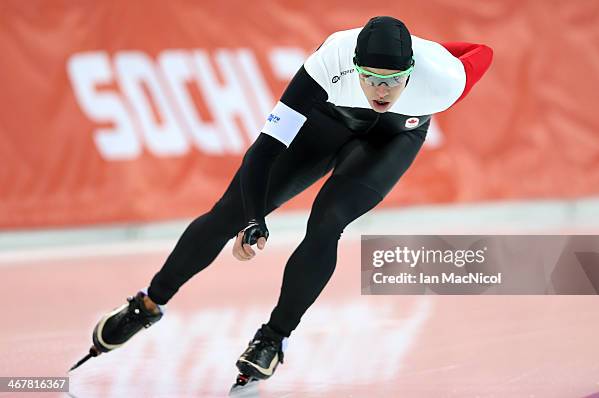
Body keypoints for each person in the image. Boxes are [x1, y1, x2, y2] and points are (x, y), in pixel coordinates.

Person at [77, 16, 493, 382]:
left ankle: (272, 340)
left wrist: (432, 50)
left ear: (413, 71)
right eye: (370, 77)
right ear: (353, 67)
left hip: (395, 137)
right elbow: (265, 148)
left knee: (328, 223)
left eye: (392, 80)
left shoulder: (445, 80)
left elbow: (481, 52)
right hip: (329, 121)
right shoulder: (328, 63)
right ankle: (147, 304)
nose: (380, 91)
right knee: (230, 212)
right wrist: (254, 219)